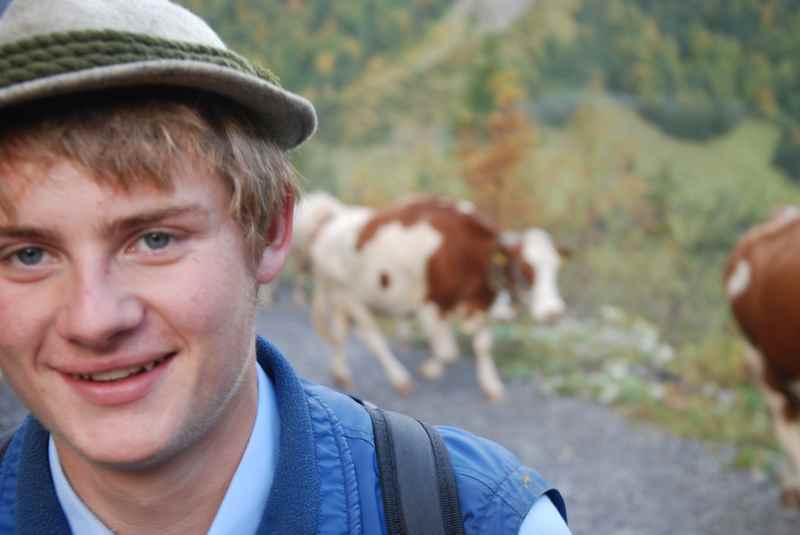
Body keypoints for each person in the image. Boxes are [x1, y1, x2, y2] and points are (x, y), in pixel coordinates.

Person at [0, 1, 571, 534]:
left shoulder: (481, 519)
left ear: (271, 230)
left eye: (154, 239)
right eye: (27, 255)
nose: (93, 320)